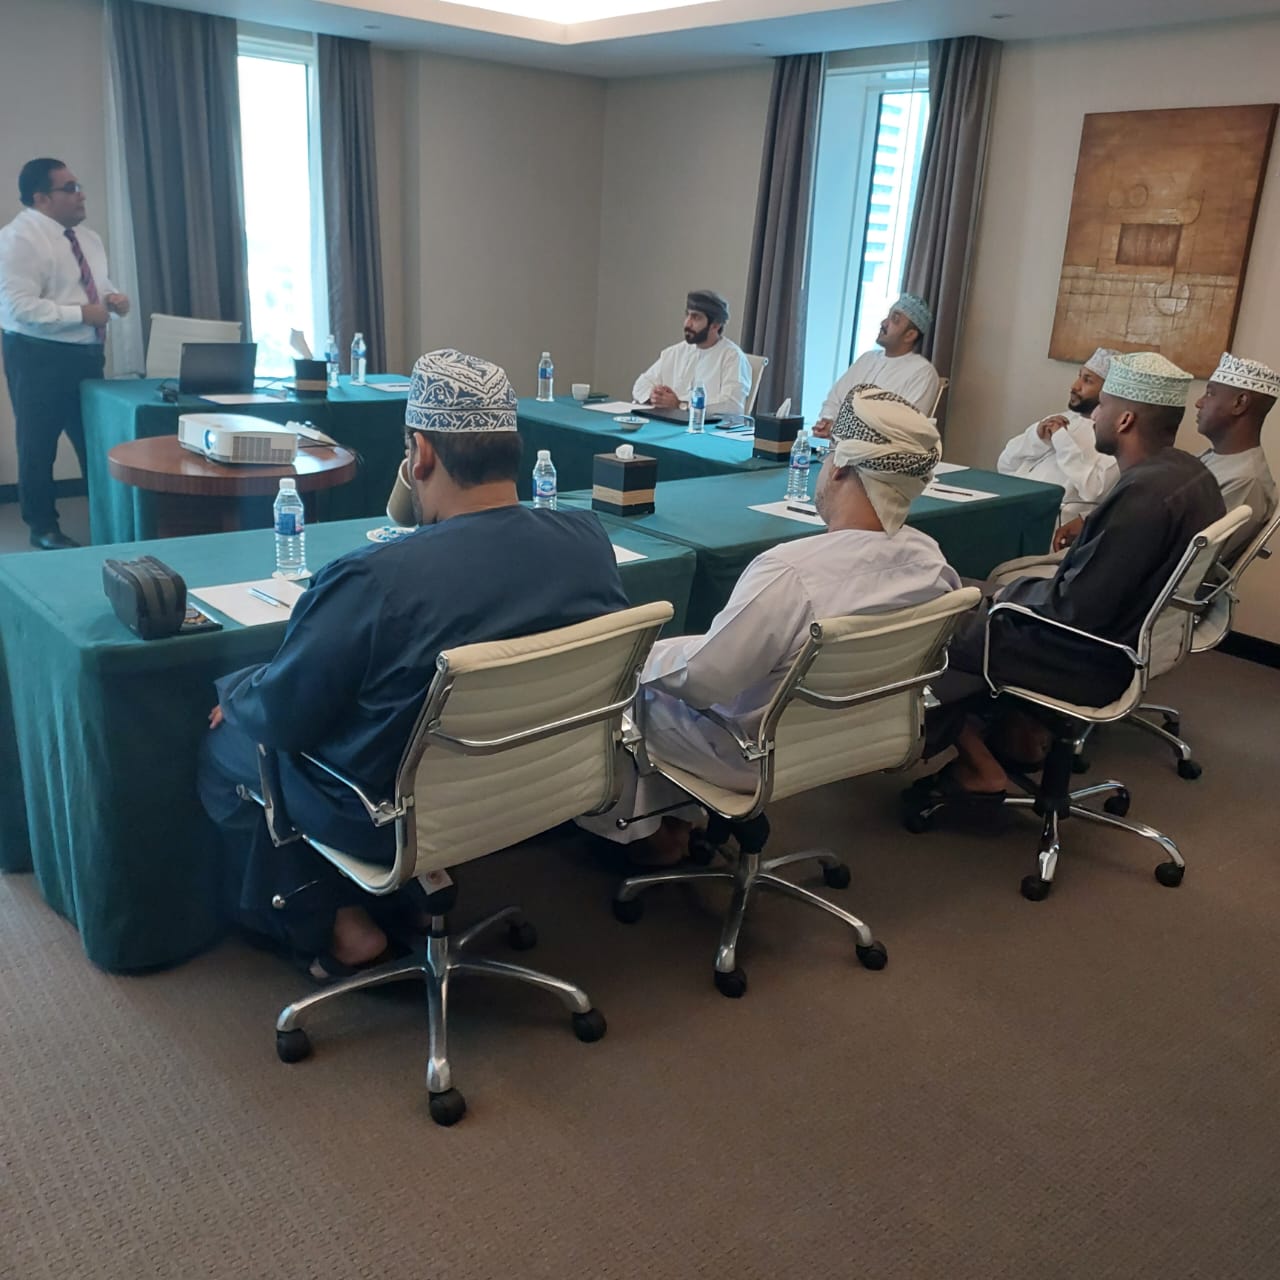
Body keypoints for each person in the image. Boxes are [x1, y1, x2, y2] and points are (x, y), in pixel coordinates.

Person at [199, 349, 630, 980]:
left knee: (229, 745)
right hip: (538, 789)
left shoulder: (373, 579)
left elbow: (284, 718)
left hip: (391, 815)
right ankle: (408, 896)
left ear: (419, 455)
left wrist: (236, 691)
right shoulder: (589, 542)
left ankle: (338, 925)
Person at [581, 387, 961, 858]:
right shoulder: (931, 561)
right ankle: (676, 823)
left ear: (839, 467)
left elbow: (702, 682)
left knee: (622, 688)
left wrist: (637, 662)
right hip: (850, 738)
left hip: (749, 751)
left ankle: (648, 837)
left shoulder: (792, 573)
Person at [909, 352, 1225, 809]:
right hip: (1128, 644)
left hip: (1086, 657)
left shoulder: (1142, 497)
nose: (1094, 415)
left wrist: (1005, 597)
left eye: (1104, 406)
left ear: (1126, 420)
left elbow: (1074, 610)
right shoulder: (1191, 474)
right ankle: (1016, 733)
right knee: (974, 594)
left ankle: (980, 764)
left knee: (930, 626)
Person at [0, 158, 130, 549]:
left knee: (94, 440)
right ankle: (43, 528)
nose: (81, 194)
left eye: (79, 186)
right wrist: (81, 314)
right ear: (41, 197)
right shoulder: (18, 239)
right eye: (70, 188)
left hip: (86, 354)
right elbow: (17, 308)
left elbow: (97, 284)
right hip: (38, 355)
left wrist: (113, 298)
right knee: (39, 445)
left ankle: (105, 517)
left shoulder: (87, 238)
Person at [997, 347, 1120, 536]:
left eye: (1087, 380)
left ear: (1109, 391)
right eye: (1079, 377)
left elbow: (1094, 490)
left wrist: (1062, 440)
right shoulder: (1062, 419)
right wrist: (1037, 438)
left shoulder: (1113, 437)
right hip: (1010, 508)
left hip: (1050, 527)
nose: (1075, 386)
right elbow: (1005, 464)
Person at [812, 293, 941, 434]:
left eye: (894, 320)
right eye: (887, 316)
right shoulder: (867, 359)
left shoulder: (922, 372)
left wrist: (838, 429)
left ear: (910, 335)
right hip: (836, 443)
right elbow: (834, 399)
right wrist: (827, 422)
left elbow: (900, 428)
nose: (884, 323)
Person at [1193, 352, 1278, 563]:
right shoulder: (1215, 457)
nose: (1199, 402)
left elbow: (1193, 566)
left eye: (1210, 394)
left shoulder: (1245, 480)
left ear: (1239, 403)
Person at [632, 289, 751, 416]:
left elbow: (732, 406)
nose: (687, 323)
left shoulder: (732, 357)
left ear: (715, 325)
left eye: (696, 317)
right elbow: (640, 385)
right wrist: (654, 396)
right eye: (687, 315)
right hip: (667, 422)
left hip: (705, 427)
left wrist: (681, 405)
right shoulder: (674, 352)